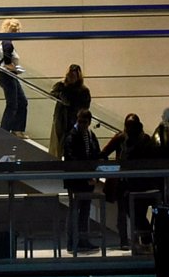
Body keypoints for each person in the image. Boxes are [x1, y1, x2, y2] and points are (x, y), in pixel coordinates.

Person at [100, 113, 160, 249]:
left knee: (137, 213)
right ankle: (131, 240)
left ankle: (141, 240)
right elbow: (104, 153)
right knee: (127, 212)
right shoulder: (124, 138)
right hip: (126, 182)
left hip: (139, 182)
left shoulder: (142, 139)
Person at [63, 109, 101, 252]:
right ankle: (72, 241)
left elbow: (96, 154)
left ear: (89, 122)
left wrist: (94, 175)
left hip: (86, 179)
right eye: (79, 121)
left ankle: (83, 239)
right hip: (76, 180)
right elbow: (72, 159)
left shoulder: (90, 136)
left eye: (84, 122)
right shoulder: (72, 136)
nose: (81, 124)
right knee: (75, 211)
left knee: (84, 211)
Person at [0, 18, 28, 135]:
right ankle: (6, 130)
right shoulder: (7, 43)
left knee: (21, 101)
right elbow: (7, 63)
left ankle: (16, 129)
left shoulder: (3, 42)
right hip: (7, 75)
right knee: (13, 104)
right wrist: (17, 69)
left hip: (8, 75)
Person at [49, 64, 91, 150]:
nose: (71, 78)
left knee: (73, 144)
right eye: (70, 75)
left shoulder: (83, 91)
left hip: (75, 118)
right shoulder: (62, 86)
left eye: (73, 76)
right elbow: (53, 94)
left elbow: (85, 106)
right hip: (61, 119)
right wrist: (61, 96)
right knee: (59, 143)